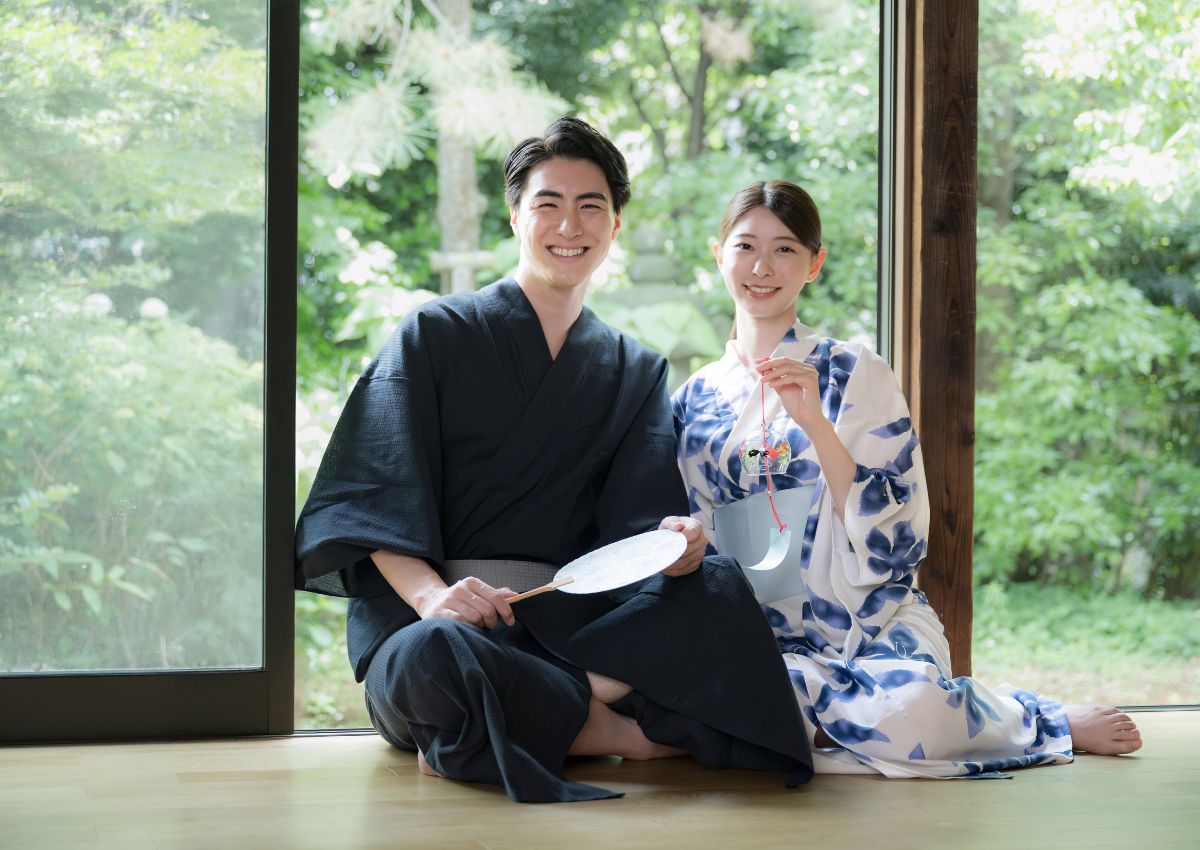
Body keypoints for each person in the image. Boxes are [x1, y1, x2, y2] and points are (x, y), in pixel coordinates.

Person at [294, 121, 812, 803]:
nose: (570, 224)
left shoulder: (632, 368)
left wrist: (674, 547)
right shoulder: (434, 335)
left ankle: (510, 720)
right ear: (516, 215)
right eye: (548, 203)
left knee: (714, 583)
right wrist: (433, 600)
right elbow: (371, 493)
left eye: (591, 206)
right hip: (443, 625)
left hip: (566, 630)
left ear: (616, 225)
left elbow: (633, 530)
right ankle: (604, 730)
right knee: (431, 663)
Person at [672, 179, 1142, 779]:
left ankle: (1038, 719)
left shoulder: (853, 371)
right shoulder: (692, 399)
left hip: (869, 620)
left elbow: (894, 543)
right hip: (758, 635)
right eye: (745, 246)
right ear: (718, 254)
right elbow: (694, 531)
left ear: (814, 264)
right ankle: (831, 723)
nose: (763, 266)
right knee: (735, 697)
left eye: (786, 249)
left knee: (909, 703)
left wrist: (815, 423)